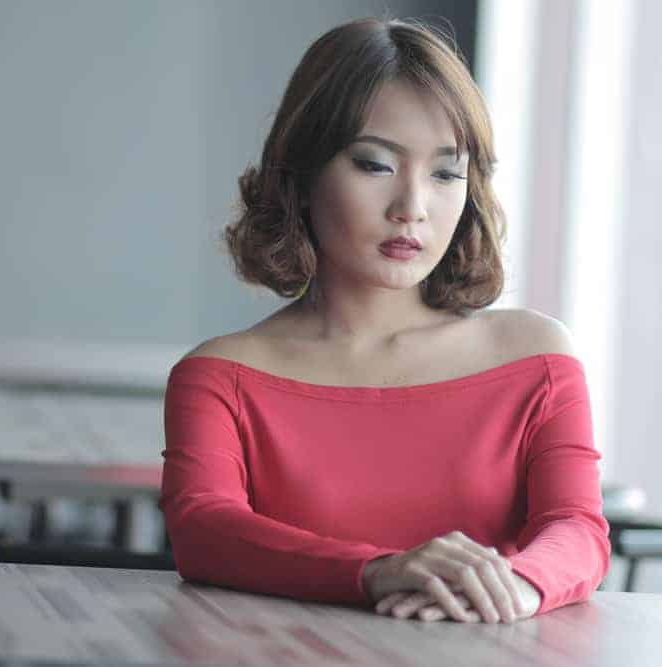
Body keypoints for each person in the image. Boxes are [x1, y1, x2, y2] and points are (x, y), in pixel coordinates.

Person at [159, 17, 610, 624]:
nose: (412, 208)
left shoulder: (537, 356)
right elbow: (204, 531)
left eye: (447, 173)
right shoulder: (220, 376)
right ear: (301, 175)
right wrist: (377, 571)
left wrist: (519, 587)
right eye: (375, 164)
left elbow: (577, 527)